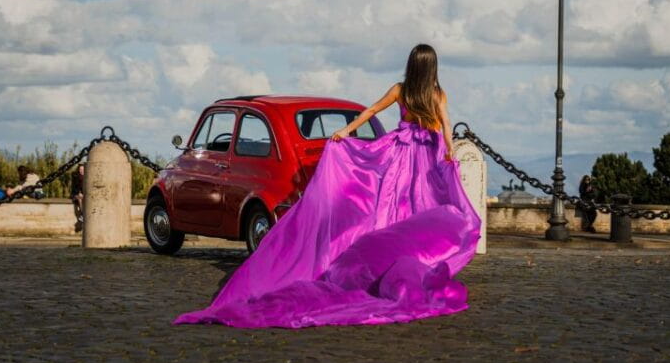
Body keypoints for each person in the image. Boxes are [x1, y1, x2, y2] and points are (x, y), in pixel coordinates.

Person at [174, 44, 481, 328]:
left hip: (401, 153)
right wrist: (449, 152)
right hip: (426, 152)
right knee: (422, 203)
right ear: (432, 68)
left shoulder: (401, 90)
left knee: (390, 201)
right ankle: (420, 255)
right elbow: (444, 123)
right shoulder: (438, 94)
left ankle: (386, 253)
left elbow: (372, 110)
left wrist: (346, 131)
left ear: (413, 66)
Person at [70, 163, 85, 232]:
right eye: (80, 169)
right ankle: (83, 215)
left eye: (83, 169)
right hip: (76, 194)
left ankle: (82, 215)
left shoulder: (87, 177)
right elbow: (74, 187)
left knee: (82, 198)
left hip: (84, 195)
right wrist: (79, 193)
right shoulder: (76, 177)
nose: (81, 171)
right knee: (80, 198)